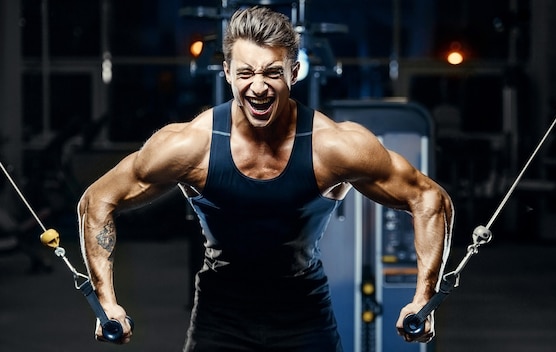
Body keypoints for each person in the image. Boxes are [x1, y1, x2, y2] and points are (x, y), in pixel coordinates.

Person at [77, 6, 453, 351]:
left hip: (306, 317)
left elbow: (429, 199)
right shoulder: (193, 145)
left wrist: (424, 298)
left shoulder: (333, 146)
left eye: (273, 72)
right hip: (218, 318)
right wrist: (106, 301)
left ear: (293, 72)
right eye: (246, 73)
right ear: (227, 73)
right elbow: (98, 200)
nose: (259, 86)